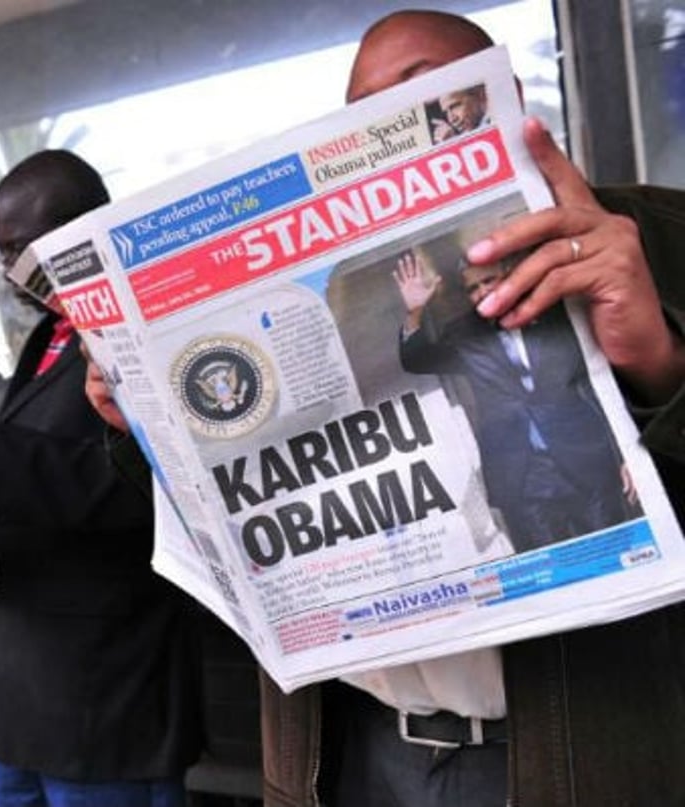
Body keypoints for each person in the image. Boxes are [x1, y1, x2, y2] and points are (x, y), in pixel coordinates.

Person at [253, 10, 685, 807]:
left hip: (574, 757)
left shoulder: (660, 235)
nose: (389, 126)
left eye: (422, 94)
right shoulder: (370, 287)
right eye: (362, 118)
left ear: (504, 96)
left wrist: (658, 367)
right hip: (353, 748)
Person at [0, 150, 204, 807]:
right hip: (12, 681)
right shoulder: (39, 336)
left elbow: (159, 480)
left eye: (19, 247)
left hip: (102, 688)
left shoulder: (159, 327)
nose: (8, 270)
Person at [394, 249, 635, 551]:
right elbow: (416, 361)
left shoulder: (556, 315)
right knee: (554, 575)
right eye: (473, 288)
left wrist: (626, 453)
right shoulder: (463, 334)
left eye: (489, 281)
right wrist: (414, 312)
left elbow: (597, 385)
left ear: (508, 275)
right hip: (524, 481)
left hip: (586, 464)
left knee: (615, 553)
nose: (482, 293)